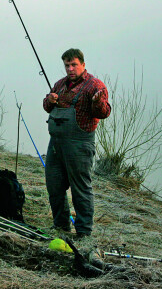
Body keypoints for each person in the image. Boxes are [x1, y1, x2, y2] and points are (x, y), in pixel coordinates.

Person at [43, 48, 111, 239]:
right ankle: (61, 227)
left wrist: (97, 102)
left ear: (83, 64)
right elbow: (46, 107)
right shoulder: (59, 85)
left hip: (80, 145)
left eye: (74, 65)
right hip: (56, 145)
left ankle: (83, 233)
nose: (70, 69)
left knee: (80, 189)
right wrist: (49, 100)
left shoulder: (95, 86)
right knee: (54, 186)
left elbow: (104, 113)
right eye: (67, 65)